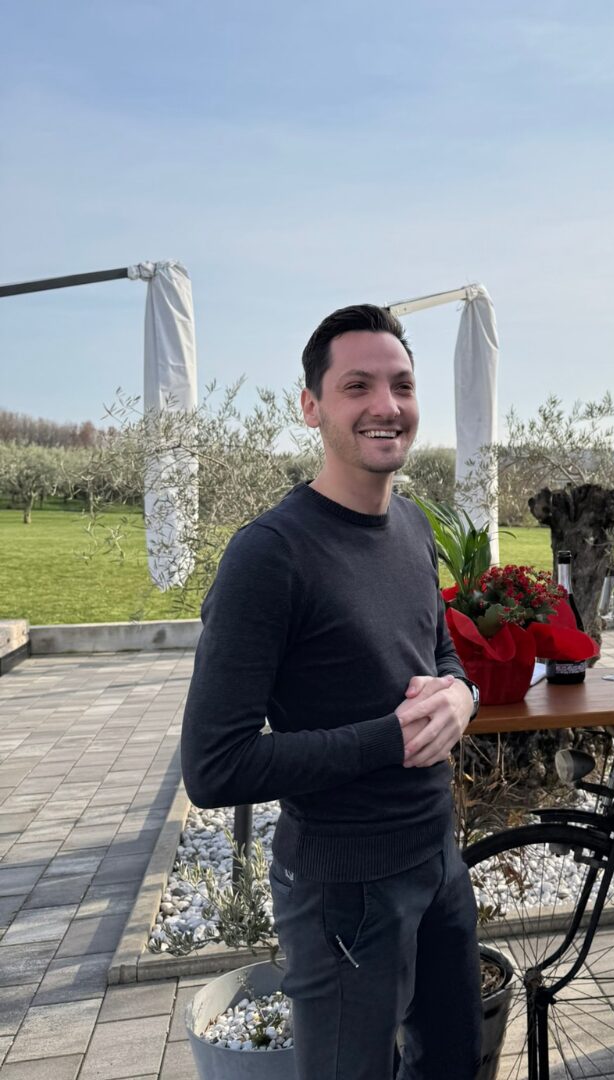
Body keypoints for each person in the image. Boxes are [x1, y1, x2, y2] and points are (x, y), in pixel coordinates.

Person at [181, 304, 482, 1080]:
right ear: (312, 406)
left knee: (454, 1065)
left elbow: (441, 654)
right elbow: (216, 767)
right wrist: (393, 737)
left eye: (402, 385)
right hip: (343, 891)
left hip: (438, 862)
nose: (387, 406)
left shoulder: (412, 526)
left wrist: (463, 697)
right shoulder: (270, 556)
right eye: (358, 386)